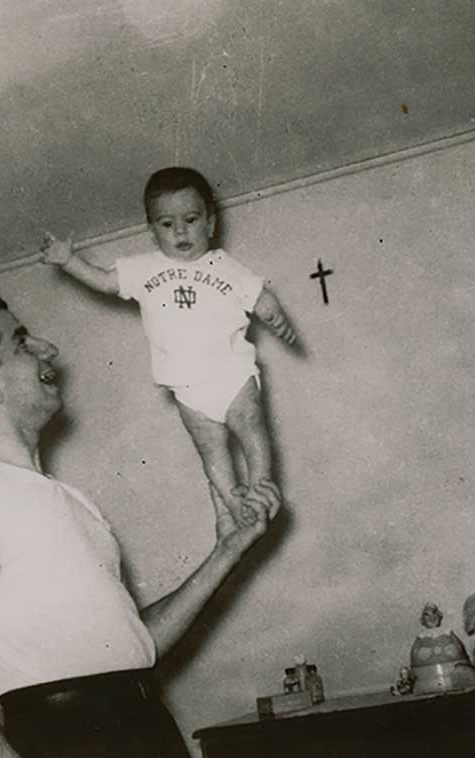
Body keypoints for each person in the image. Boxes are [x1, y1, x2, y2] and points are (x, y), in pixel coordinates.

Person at [0, 286, 280, 758]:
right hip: (69, 754)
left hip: (150, 736)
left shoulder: (71, 500)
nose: (48, 349)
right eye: (22, 342)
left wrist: (228, 550)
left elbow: (137, 646)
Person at [41, 166, 296, 527]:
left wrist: (276, 317)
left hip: (231, 373)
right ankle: (233, 500)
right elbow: (105, 281)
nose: (180, 231)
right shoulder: (145, 268)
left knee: (251, 424)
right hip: (186, 387)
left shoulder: (225, 267)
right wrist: (68, 261)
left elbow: (261, 297)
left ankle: (260, 483)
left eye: (191, 220)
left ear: (210, 223)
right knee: (210, 448)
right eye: (166, 223)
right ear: (152, 231)